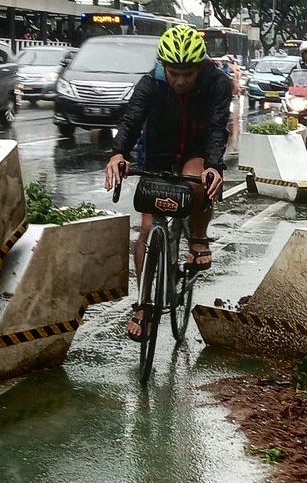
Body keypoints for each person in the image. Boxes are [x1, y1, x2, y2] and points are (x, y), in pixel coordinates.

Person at [105, 25, 232, 342]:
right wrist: (118, 153)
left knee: (198, 181)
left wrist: (215, 166)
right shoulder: (151, 83)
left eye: (187, 73)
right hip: (158, 151)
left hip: (197, 149)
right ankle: (143, 304)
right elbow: (132, 119)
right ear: (163, 66)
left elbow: (218, 127)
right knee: (147, 229)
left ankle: (198, 238)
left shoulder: (218, 83)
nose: (180, 80)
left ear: (199, 66)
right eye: (173, 72)